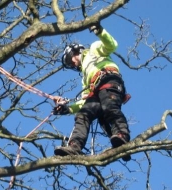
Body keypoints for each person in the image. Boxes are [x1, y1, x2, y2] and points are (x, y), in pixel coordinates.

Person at [53, 23, 131, 161]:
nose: (72, 65)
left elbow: (111, 45)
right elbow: (84, 101)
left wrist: (100, 31)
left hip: (109, 80)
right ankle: (74, 146)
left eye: (70, 61)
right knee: (83, 115)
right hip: (95, 91)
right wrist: (68, 108)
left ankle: (122, 136)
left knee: (110, 108)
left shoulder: (93, 50)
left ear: (74, 52)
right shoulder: (85, 78)